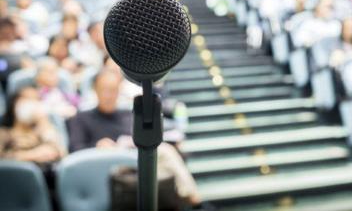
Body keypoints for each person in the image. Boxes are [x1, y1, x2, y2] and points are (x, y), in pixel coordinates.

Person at [68, 70, 202, 208]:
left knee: (165, 155)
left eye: (113, 90)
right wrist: (97, 146)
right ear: (95, 90)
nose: (109, 95)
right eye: (104, 90)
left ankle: (188, 200)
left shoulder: (127, 114)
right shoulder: (81, 118)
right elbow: (75, 148)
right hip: (107, 167)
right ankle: (195, 201)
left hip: (137, 159)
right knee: (165, 153)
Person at [0, 86, 66, 163]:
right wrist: (30, 155)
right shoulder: (4, 133)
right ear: (15, 104)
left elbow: (62, 154)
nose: (32, 104)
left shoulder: (42, 132)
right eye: (27, 99)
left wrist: (44, 122)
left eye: (36, 100)